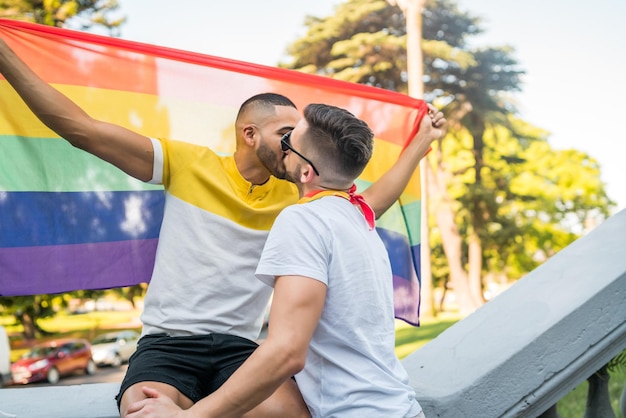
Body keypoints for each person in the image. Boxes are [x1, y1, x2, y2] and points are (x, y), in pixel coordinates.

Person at [0, 36, 443, 417]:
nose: (292, 144)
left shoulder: (304, 199)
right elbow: (83, 130)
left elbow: (366, 204)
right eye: (284, 133)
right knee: (141, 408)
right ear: (249, 134)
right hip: (169, 344)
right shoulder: (187, 162)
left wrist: (419, 143)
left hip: (242, 349)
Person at [125, 103, 428, 418]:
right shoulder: (359, 218)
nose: (282, 153)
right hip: (400, 407)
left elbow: (286, 351)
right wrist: (421, 143)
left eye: (288, 145)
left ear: (306, 171)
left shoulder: (303, 219)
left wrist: (189, 416)